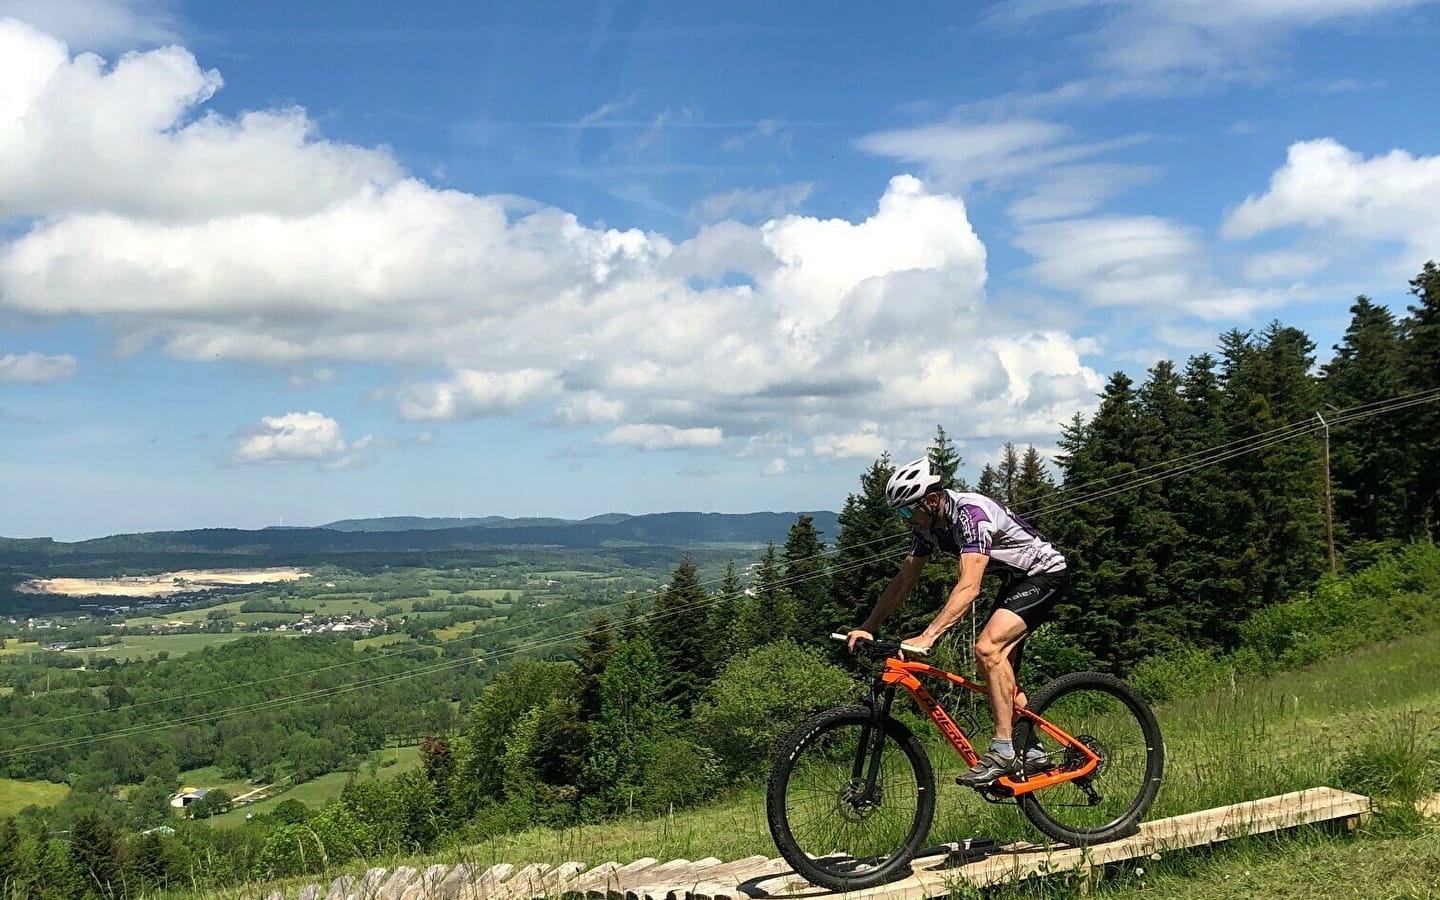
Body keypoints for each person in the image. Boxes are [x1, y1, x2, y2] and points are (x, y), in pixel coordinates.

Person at [846, 455, 1071, 786]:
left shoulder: (971, 514)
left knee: (987, 649)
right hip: (1015, 580)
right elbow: (902, 582)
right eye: (901, 514)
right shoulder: (928, 527)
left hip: (1045, 574)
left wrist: (929, 636)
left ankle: (1004, 749)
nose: (906, 519)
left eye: (909, 510)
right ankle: (1032, 749)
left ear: (933, 500)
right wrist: (869, 625)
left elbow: (969, 586)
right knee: (995, 667)